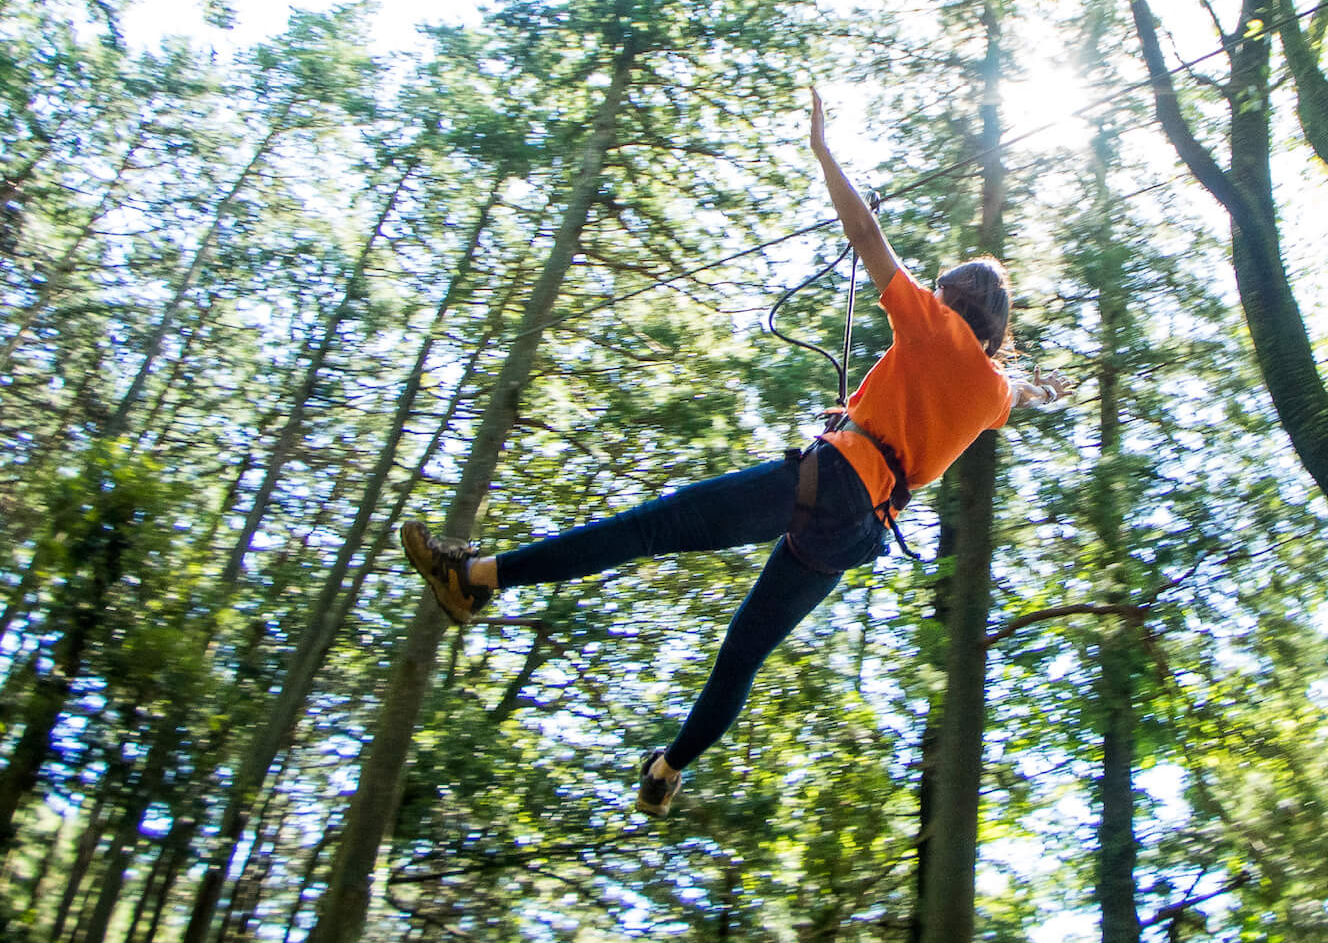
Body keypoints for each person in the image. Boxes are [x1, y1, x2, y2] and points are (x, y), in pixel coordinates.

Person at [399, 91, 1069, 815]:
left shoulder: (933, 325)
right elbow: (1010, 394)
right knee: (743, 651)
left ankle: (475, 578)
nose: (931, 294)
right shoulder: (992, 389)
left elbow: (867, 235)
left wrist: (823, 150)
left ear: (952, 301)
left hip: (833, 480)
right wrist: (1042, 389)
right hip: (855, 531)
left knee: (650, 527)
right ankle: (668, 768)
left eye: (940, 290)